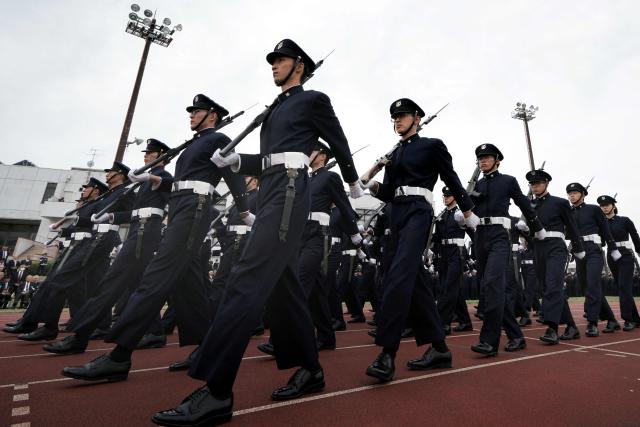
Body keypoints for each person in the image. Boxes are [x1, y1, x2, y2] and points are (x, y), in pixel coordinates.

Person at [152, 39, 363, 426]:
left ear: (299, 65)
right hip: (270, 190)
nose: (273, 66)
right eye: (272, 61)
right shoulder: (275, 108)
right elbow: (269, 159)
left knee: (244, 281)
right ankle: (311, 368)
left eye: (280, 60)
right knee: (284, 288)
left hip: (288, 193)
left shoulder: (313, 99)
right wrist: (238, 160)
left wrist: (351, 181)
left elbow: (338, 140)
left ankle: (216, 390)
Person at [61, 94, 250, 382]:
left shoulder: (217, 138)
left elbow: (233, 171)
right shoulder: (194, 145)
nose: (190, 115)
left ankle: (119, 356)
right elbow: (179, 182)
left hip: (195, 209)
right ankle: (207, 350)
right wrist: (154, 180)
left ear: (212, 115)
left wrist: (245, 208)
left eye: (196, 111)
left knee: (155, 277)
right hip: (182, 208)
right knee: (190, 287)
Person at [361, 98, 476, 382]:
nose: (397, 121)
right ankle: (439, 348)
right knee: (416, 283)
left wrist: (468, 211)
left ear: (417, 118)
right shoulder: (395, 154)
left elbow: (452, 178)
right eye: (394, 118)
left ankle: (387, 353)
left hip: (418, 212)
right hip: (397, 215)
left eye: (402, 116)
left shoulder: (432, 145)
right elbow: (388, 192)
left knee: (398, 275)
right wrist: (371, 184)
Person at [43, 139, 173, 355]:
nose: (146, 156)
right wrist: (111, 216)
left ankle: (79, 337)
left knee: (110, 284)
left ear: (161, 156)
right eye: (146, 153)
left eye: (151, 153)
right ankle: (155, 331)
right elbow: (135, 212)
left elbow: (172, 186)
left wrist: (151, 176)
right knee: (136, 286)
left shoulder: (163, 177)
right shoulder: (143, 184)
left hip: (144, 233)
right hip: (137, 229)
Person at [465, 144, 544, 356]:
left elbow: (524, 204)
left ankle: (489, 341)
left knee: (492, 285)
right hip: (480, 236)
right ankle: (516, 335)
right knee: (490, 289)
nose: (483, 161)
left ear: (497, 160)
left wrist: (536, 227)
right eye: (480, 158)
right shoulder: (476, 185)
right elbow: (469, 211)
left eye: (487, 157)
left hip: (500, 236)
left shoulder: (508, 181)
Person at [521, 169, 584, 344]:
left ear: (547, 183)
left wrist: (578, 249)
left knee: (553, 286)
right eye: (532, 184)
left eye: (538, 183)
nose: (535, 186)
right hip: (538, 248)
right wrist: (525, 231)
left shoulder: (560, 203)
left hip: (556, 247)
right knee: (548, 288)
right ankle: (571, 326)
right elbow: (530, 234)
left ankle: (552, 328)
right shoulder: (529, 205)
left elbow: (572, 227)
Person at [567, 183, 621, 337]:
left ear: (583, 194)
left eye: (575, 193)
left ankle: (592, 323)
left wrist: (613, 247)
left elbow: (605, 229)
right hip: (578, 251)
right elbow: (567, 233)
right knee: (588, 286)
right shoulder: (568, 212)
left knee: (592, 284)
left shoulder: (593, 209)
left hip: (593, 250)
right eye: (569, 193)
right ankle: (611, 320)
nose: (572, 195)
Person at [597, 195, 640, 330]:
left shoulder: (624, 220)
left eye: (607, 205)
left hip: (625, 255)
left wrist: (639, 250)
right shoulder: (601, 223)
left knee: (624, 286)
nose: (604, 207)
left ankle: (628, 319)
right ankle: (635, 319)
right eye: (602, 206)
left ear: (613, 206)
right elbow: (602, 242)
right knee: (622, 288)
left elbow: (634, 235)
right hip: (611, 255)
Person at [434, 186, 472, 335]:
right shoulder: (443, 215)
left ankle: (444, 322)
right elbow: (437, 237)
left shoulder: (460, 213)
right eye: (444, 196)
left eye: (449, 196)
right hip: (443, 253)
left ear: (455, 198)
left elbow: (473, 230)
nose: (446, 198)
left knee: (448, 288)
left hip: (457, 252)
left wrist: (464, 221)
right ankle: (465, 321)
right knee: (452, 288)